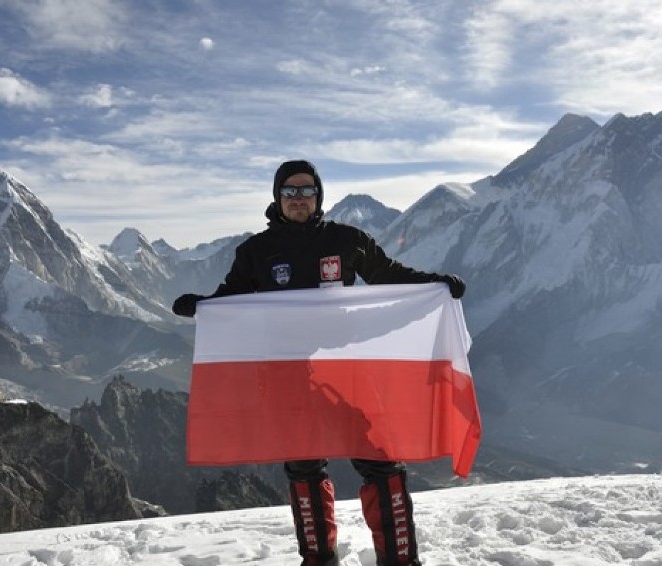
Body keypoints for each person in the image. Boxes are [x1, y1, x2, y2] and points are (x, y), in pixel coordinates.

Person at [173, 159, 465, 566]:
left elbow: (387, 274)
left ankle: (400, 559)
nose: (298, 198)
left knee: (381, 462)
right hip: (286, 375)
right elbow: (232, 299)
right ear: (277, 197)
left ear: (318, 195)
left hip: (345, 369)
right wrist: (201, 306)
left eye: (306, 190)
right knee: (305, 469)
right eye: (289, 191)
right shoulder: (255, 251)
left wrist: (434, 285)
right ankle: (318, 558)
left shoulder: (347, 240)